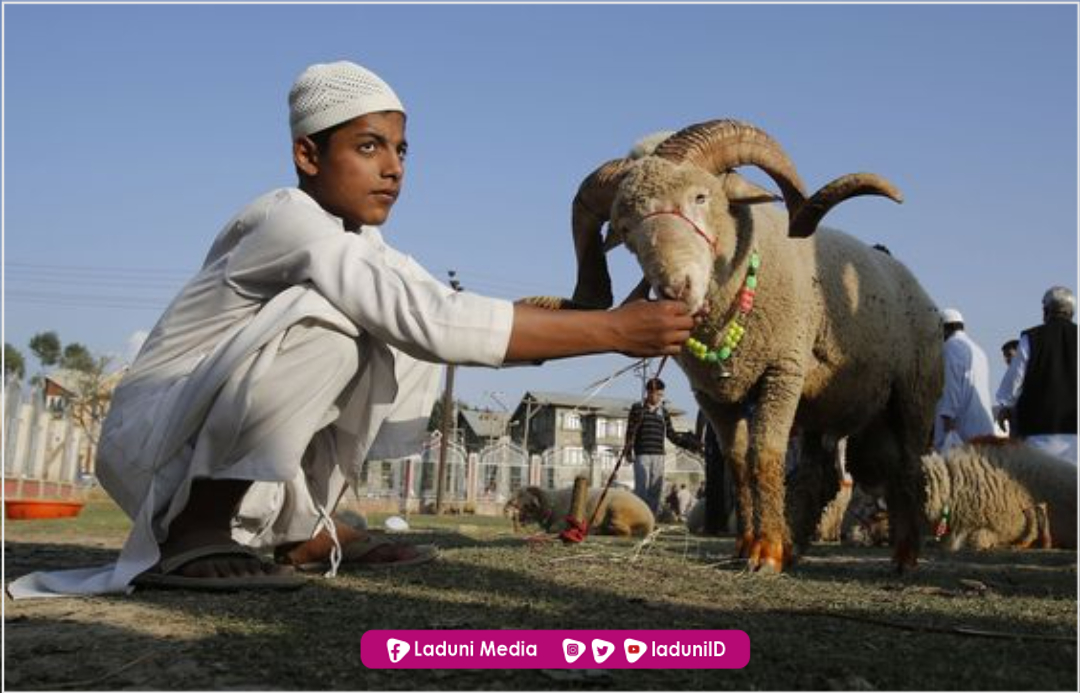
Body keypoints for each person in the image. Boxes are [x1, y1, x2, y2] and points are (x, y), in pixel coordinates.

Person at [8, 61, 694, 598]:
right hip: (154, 445)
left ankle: (300, 529)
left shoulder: (360, 248)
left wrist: (617, 313)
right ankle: (197, 530)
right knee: (337, 321)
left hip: (196, 442)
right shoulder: (287, 219)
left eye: (400, 148)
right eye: (369, 146)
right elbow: (432, 319)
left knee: (387, 315)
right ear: (308, 155)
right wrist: (615, 331)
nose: (393, 167)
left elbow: (441, 312)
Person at [995, 287, 1077, 465]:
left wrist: (1006, 406)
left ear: (1046, 311)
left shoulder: (1031, 338)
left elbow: (1014, 381)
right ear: (1072, 312)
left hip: (1038, 434)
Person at [624, 378, 700, 515]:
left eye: (661, 394)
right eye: (656, 394)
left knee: (655, 488)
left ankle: (652, 517)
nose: (658, 397)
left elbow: (671, 434)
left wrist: (689, 445)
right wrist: (628, 451)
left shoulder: (663, 412)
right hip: (642, 454)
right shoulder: (638, 408)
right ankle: (640, 516)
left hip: (659, 454)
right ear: (648, 392)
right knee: (642, 488)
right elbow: (630, 431)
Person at [933, 308, 996, 451]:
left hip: (962, 429)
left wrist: (948, 419)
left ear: (944, 329)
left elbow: (951, 385)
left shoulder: (950, 347)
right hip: (984, 426)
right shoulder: (979, 350)